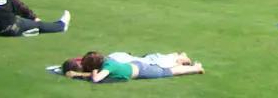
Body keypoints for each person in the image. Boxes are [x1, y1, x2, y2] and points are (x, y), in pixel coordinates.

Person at [65, 50, 204, 82]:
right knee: (164, 66)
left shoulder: (109, 65)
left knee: (167, 71)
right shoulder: (109, 62)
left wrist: (82, 74)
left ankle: (195, 68)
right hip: (137, 65)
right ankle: (180, 58)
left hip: (142, 68)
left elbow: (96, 79)